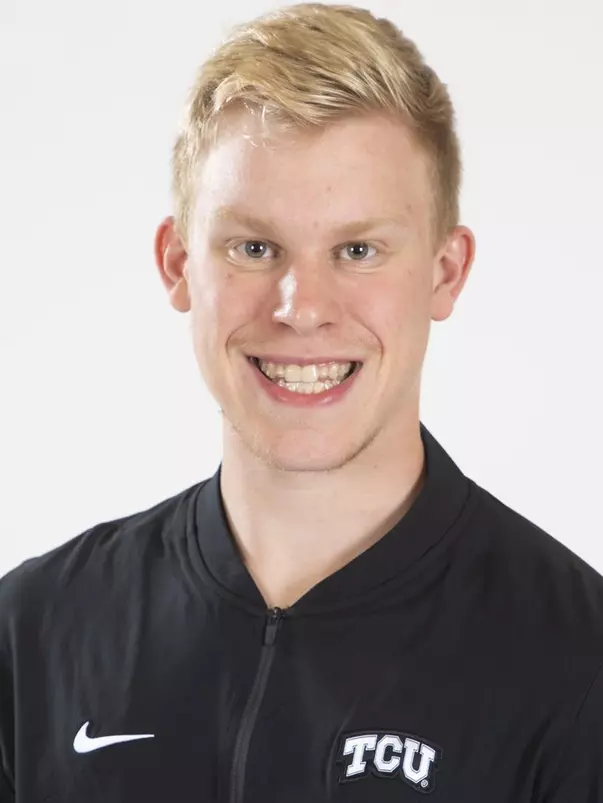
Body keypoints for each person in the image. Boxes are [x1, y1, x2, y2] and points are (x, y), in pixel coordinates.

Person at [1, 3, 602, 801]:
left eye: (357, 250)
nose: (301, 305)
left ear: (444, 271)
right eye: (254, 247)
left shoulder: (577, 659)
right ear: (179, 263)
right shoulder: (35, 633)